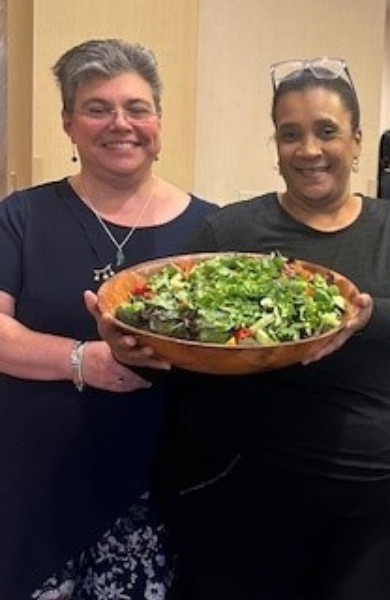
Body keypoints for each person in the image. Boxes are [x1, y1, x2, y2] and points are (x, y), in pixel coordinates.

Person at [90, 57, 390, 600]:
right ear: (277, 146)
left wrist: (367, 315)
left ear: (357, 141)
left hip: (365, 492)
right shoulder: (233, 229)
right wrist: (130, 348)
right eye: (290, 134)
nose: (308, 149)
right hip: (244, 481)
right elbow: (184, 352)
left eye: (327, 131)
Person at [0, 39, 218, 599]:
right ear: (69, 124)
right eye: (97, 108)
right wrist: (81, 359)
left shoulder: (213, 233)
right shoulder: (21, 216)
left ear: (159, 122)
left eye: (137, 108)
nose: (120, 123)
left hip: (162, 490)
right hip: (36, 486)